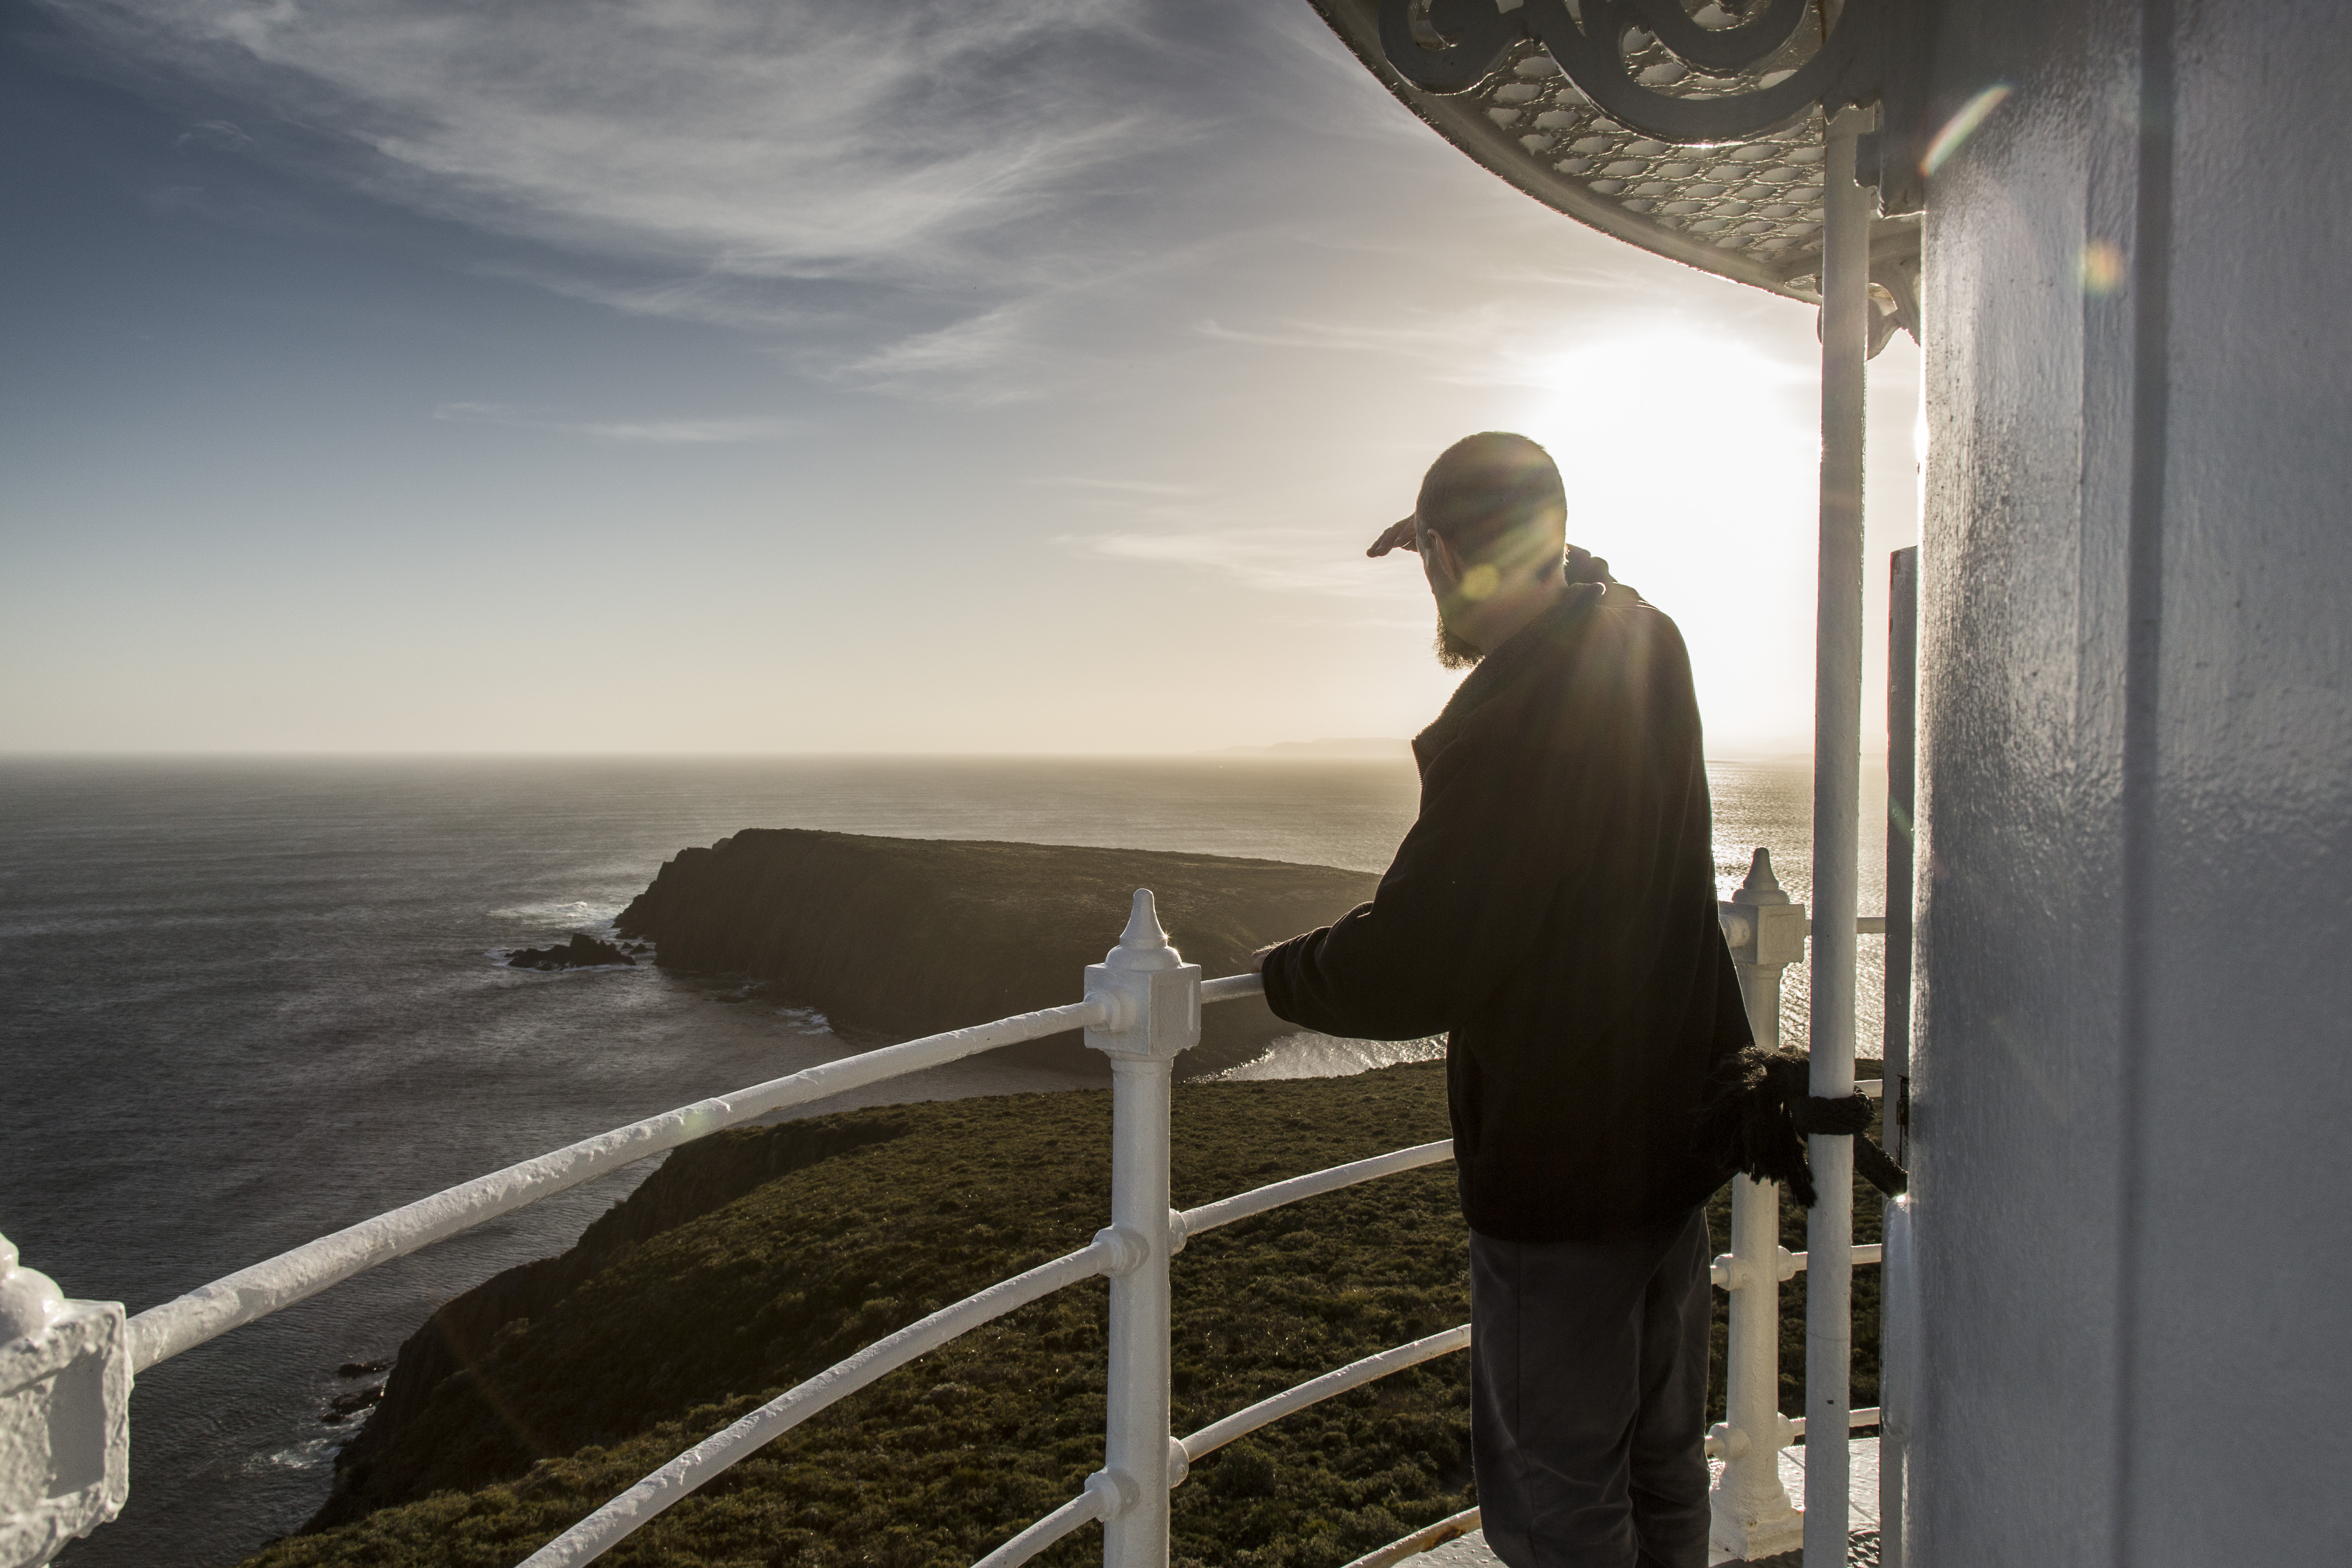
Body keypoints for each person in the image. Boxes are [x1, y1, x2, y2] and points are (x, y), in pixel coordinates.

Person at [1247, 431, 1750, 1568]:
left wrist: (1283, 972)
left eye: (1431, 563)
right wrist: (1510, 542)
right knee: (1663, 1464)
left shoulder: (1509, 723)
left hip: (1564, 1167)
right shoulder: (1646, 640)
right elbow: (1596, 586)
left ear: (1440, 555)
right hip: (1673, 1140)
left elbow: (1418, 959)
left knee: (1558, 1500)